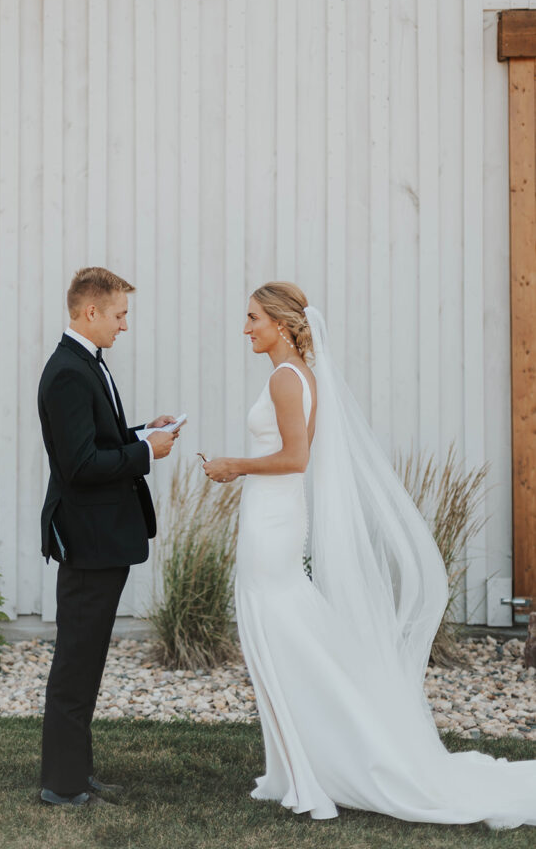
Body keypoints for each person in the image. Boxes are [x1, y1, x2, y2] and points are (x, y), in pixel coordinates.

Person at [203, 281, 536, 828]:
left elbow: (295, 457)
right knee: (281, 637)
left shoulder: (286, 379)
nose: (246, 329)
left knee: (280, 635)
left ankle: (316, 768)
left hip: (273, 523)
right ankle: (294, 768)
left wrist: (233, 465)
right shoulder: (300, 375)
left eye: (253, 318)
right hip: (276, 519)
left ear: (282, 325)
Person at [38, 266, 179, 808]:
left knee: (87, 658)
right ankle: (63, 785)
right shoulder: (69, 372)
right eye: (119, 315)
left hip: (102, 537)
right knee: (76, 662)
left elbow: (98, 440)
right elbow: (79, 465)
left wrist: (143, 432)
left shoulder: (85, 364)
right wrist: (145, 455)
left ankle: (77, 773)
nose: (124, 326)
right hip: (89, 538)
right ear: (90, 311)